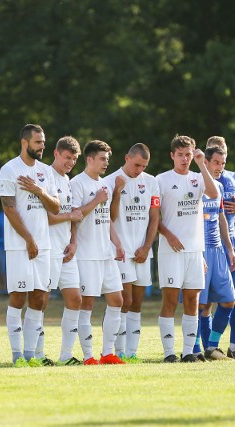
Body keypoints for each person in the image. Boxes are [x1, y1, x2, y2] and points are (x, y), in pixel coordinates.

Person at [0, 123, 60, 368]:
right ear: (25, 142)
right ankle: (17, 356)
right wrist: (28, 239)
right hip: (19, 246)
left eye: (43, 142)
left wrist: (40, 191)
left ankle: (31, 355)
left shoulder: (46, 172)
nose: (42, 146)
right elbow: (9, 209)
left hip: (43, 246)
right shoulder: (9, 170)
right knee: (18, 297)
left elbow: (55, 207)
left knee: (40, 299)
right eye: (38, 142)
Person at [156, 135, 218, 363]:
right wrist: (168, 234)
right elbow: (153, 218)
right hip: (170, 250)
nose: (184, 159)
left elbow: (214, 194)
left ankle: (188, 352)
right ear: (172, 155)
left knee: (193, 302)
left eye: (188, 155)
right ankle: (169, 353)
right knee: (170, 301)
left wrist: (202, 164)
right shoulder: (161, 180)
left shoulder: (198, 177)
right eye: (180, 154)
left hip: (195, 251)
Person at [70, 139, 125, 366]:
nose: (105, 163)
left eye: (107, 159)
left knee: (117, 300)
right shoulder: (77, 184)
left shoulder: (106, 184)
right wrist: (96, 200)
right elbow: (74, 215)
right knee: (88, 304)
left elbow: (107, 220)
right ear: (89, 159)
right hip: (87, 254)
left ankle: (108, 353)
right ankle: (88, 356)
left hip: (106, 254)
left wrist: (118, 243)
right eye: (102, 159)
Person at [105, 143, 160, 363]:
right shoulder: (110, 181)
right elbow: (110, 218)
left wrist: (147, 246)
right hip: (121, 252)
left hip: (143, 252)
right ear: (127, 158)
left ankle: (132, 352)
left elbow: (155, 216)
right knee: (123, 301)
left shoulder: (152, 182)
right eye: (137, 164)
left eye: (144, 166)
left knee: (137, 303)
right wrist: (118, 191)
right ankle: (117, 352)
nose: (139, 170)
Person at [205, 136, 235, 358]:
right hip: (210, 243)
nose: (221, 163)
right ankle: (207, 346)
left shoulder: (234, 177)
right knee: (207, 302)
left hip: (231, 241)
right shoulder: (202, 180)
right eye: (216, 157)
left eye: (223, 156)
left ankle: (234, 346)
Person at [40, 136, 84, 366]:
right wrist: (69, 216)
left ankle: (66, 354)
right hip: (48, 249)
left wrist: (74, 240)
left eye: (74, 159)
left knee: (75, 299)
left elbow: (73, 216)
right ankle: (36, 353)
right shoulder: (45, 176)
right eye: (67, 157)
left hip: (66, 250)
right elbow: (44, 217)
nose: (70, 163)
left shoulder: (68, 180)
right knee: (41, 301)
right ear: (56, 153)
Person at [194, 146, 235, 361]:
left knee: (229, 300)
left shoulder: (219, 187)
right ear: (206, 162)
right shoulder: (194, 184)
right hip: (199, 250)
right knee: (199, 304)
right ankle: (193, 348)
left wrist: (229, 248)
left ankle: (212, 346)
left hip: (218, 250)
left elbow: (221, 218)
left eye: (223, 163)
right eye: (216, 163)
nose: (220, 167)